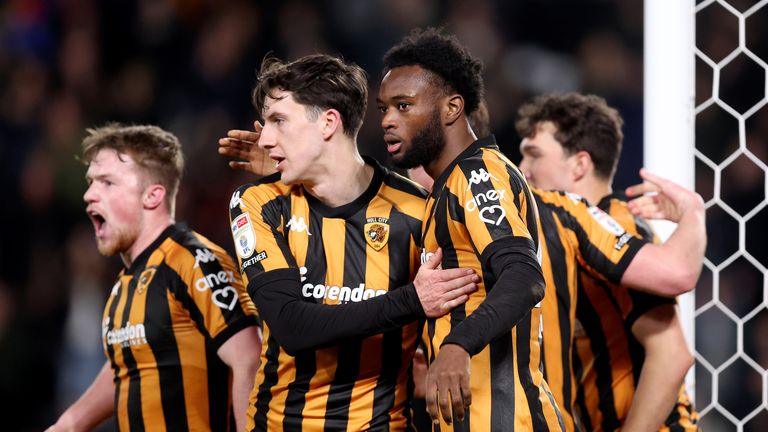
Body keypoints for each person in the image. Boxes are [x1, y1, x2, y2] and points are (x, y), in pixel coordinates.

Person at [227, 53, 479, 431]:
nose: (264, 138)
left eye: (279, 120)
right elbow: (291, 326)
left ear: (328, 122)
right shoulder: (258, 202)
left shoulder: (418, 212)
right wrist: (412, 300)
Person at [377, 28, 564, 431]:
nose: (388, 120)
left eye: (403, 106)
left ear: (451, 108)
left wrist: (458, 344)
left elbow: (523, 276)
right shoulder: (446, 189)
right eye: (384, 108)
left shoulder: (478, 176)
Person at [48, 124, 262, 431]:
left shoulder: (194, 261)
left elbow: (248, 358)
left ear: (152, 195)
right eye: (91, 182)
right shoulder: (124, 286)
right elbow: (131, 364)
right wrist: (68, 424)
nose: (89, 195)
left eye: (107, 183)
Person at [517, 92, 701, 431]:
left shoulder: (619, 225)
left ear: (580, 165)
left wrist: (694, 213)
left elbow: (672, 355)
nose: (521, 170)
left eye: (534, 155)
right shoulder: (567, 238)